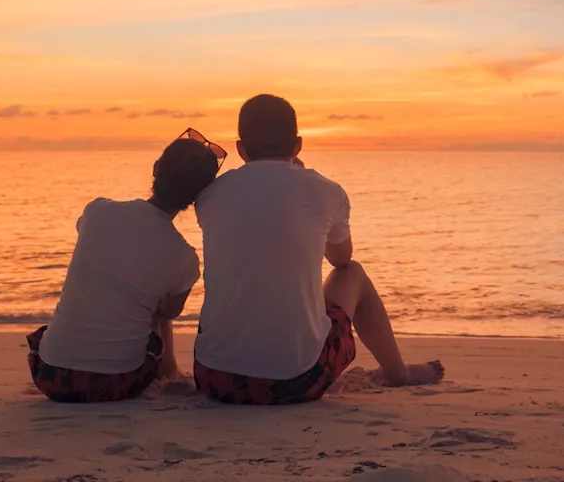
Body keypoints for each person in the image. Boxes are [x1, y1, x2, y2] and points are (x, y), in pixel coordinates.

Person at [192, 94, 445, 405]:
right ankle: (398, 373)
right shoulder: (326, 191)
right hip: (298, 381)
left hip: (215, 379)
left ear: (241, 149)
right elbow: (341, 258)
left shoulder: (209, 194)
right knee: (354, 274)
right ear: (297, 145)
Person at [26, 134, 223, 403]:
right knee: (155, 301)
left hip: (50, 375)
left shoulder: (98, 212)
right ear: (198, 196)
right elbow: (168, 312)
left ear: (155, 168)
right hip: (116, 383)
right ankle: (171, 372)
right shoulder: (183, 257)